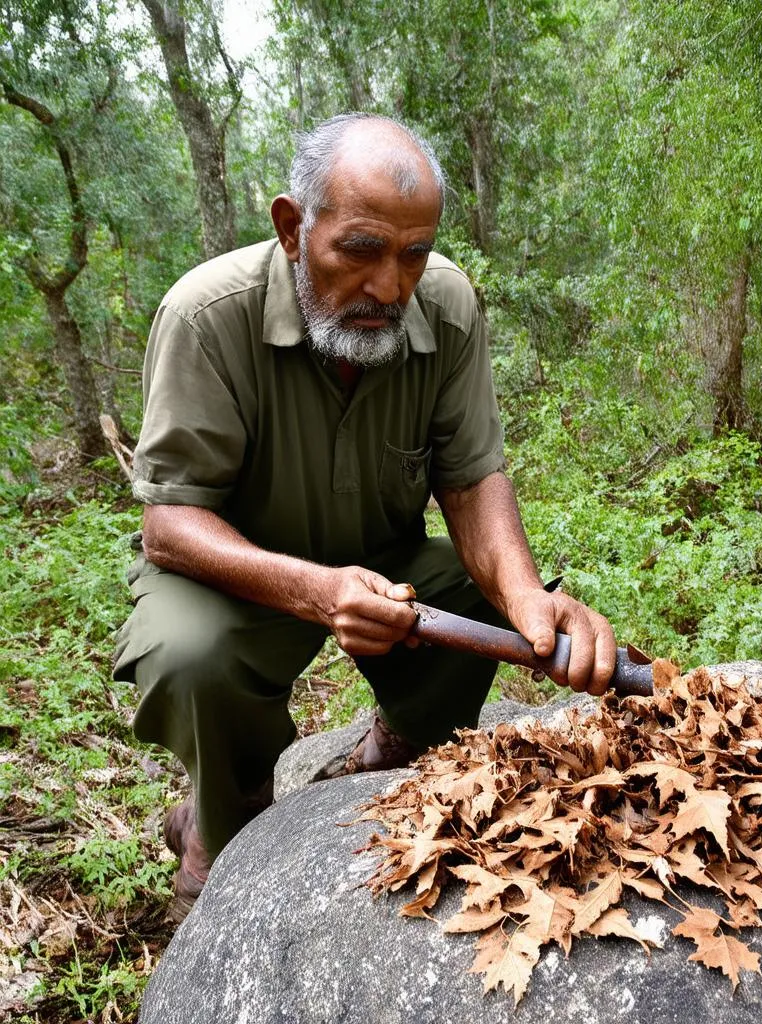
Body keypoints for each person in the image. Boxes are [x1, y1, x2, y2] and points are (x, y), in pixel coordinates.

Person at [113, 112, 617, 921]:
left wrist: (527, 598)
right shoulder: (207, 316)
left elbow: (472, 478)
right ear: (292, 227)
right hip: (234, 575)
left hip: (385, 564)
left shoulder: (446, 306)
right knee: (190, 652)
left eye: (413, 253)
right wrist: (317, 591)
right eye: (361, 250)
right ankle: (215, 828)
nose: (390, 286)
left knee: (487, 596)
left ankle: (392, 748)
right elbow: (170, 525)